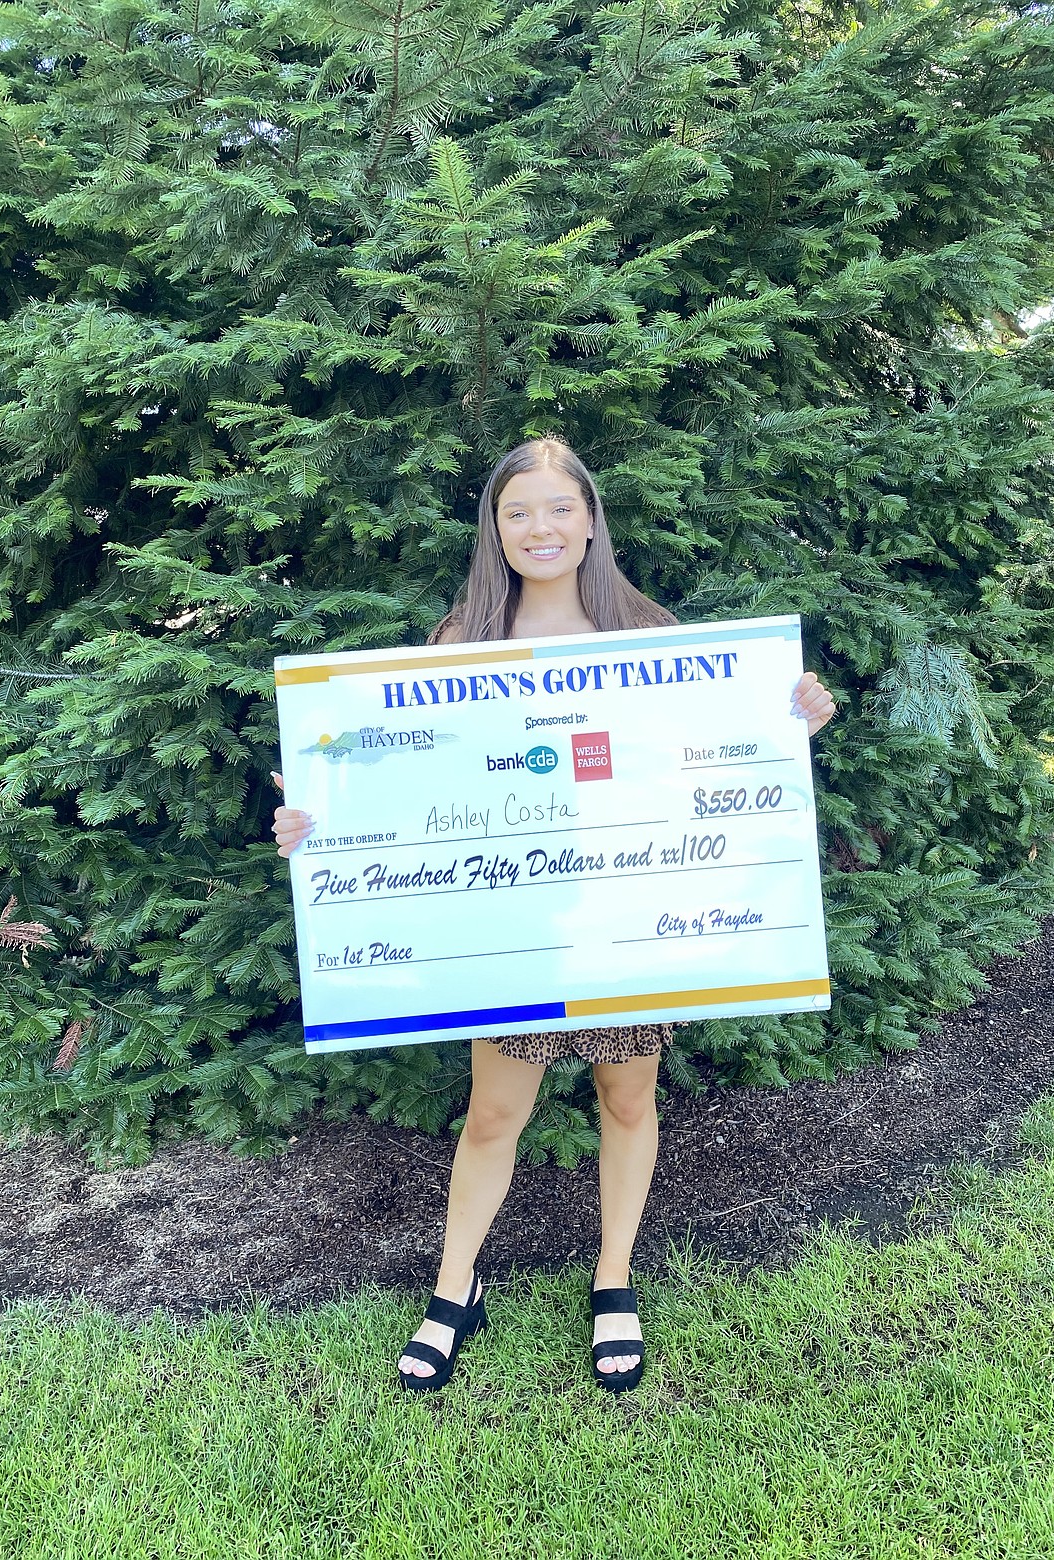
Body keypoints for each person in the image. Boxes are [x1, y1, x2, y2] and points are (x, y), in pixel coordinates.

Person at [272, 436, 837, 1394]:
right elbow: (400, 779)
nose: (541, 528)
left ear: (590, 519)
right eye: (518, 512)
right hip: (513, 930)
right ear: (496, 528)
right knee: (495, 1113)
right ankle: (456, 1288)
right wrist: (317, 823)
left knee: (628, 1097)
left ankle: (613, 1278)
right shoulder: (458, 645)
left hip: (626, 919)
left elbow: (714, 755)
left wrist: (792, 726)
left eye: (558, 508)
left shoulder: (651, 634)